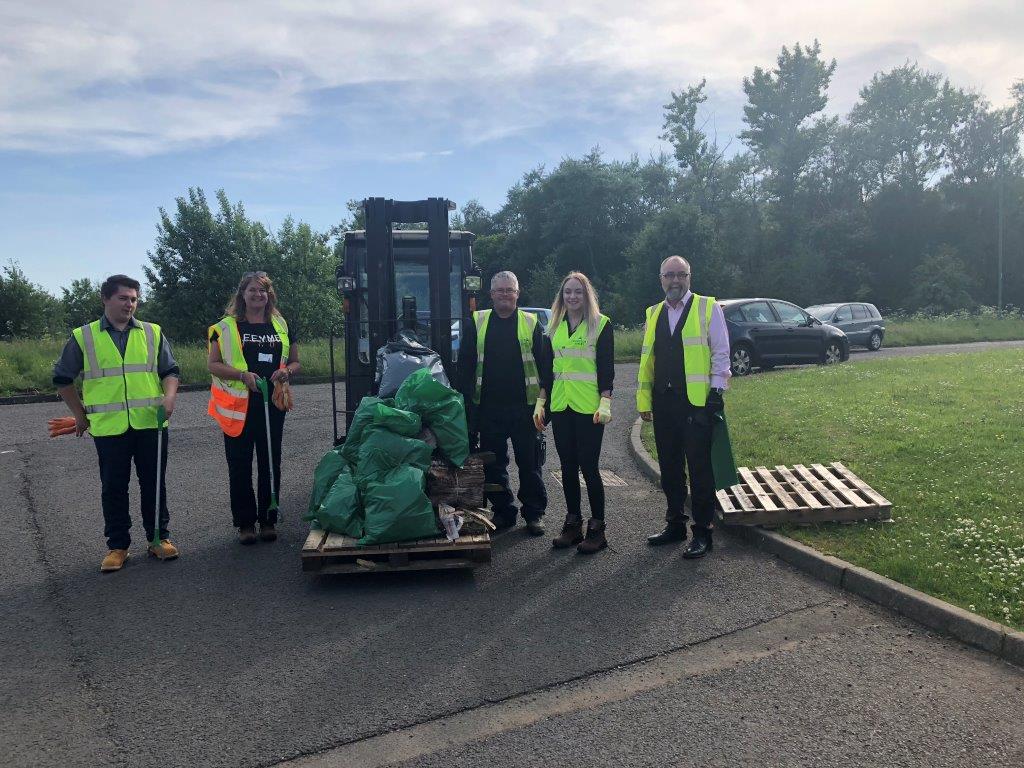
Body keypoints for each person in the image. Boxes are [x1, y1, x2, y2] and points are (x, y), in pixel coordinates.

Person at [52, 274, 181, 572]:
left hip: (151, 422)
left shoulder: (152, 332)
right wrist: (79, 414)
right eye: (123, 298)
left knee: (154, 483)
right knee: (113, 487)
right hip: (109, 427)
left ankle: (159, 538)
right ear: (106, 299)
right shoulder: (84, 336)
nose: (130, 304)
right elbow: (62, 378)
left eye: (134, 299)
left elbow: (171, 370)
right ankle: (118, 546)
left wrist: (170, 397)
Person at [636, 255, 731, 558]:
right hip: (664, 404)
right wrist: (644, 401)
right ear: (660, 278)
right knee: (670, 468)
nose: (675, 281)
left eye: (681, 275)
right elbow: (648, 361)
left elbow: (721, 352)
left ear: (689, 277)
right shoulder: (652, 313)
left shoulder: (707, 307)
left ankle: (703, 532)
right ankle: (675, 523)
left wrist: (716, 392)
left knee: (700, 469)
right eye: (669, 275)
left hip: (696, 404)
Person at [207, 271, 301, 545]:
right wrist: (241, 375)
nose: (258, 295)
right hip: (238, 406)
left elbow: (295, 362)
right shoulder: (225, 327)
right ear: (242, 294)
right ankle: (245, 523)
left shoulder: (281, 325)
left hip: (272, 404)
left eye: (263, 291)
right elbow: (213, 364)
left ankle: (268, 519)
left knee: (271, 462)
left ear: (269, 295)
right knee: (239, 464)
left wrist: (286, 372)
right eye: (252, 290)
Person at [460, 271, 549, 534]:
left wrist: (545, 406)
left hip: (526, 409)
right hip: (488, 408)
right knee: (494, 465)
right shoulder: (477, 321)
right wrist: (466, 407)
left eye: (510, 290)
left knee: (530, 464)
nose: (505, 295)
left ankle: (534, 514)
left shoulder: (531, 323)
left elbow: (546, 367)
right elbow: (465, 366)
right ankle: (504, 512)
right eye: (500, 290)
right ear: (491, 294)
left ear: (518, 294)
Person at [536, 272, 614, 554]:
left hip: (589, 408)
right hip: (562, 406)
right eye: (567, 292)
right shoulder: (553, 327)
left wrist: (606, 400)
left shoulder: (600, 325)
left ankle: (597, 528)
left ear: (586, 295)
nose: (572, 297)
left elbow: (606, 367)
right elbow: (547, 370)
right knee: (567, 467)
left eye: (578, 292)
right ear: (561, 296)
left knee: (589, 467)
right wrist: (541, 402)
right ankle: (573, 524)